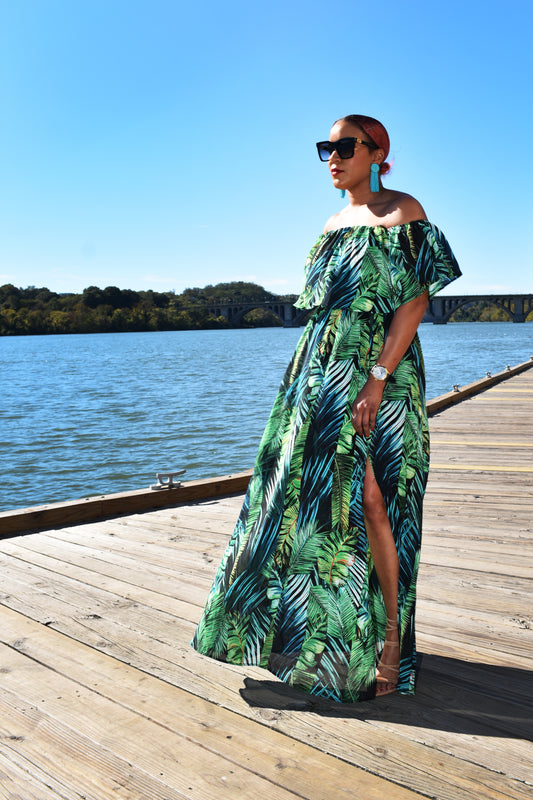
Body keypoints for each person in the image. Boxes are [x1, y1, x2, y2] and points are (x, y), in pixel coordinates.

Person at [191, 114, 462, 701]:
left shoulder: (403, 211)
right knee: (310, 507)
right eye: (326, 148)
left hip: (378, 374)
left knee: (378, 500)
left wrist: (376, 378)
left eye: (345, 146)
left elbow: (413, 304)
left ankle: (391, 643)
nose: (333, 157)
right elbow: (323, 312)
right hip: (318, 376)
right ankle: (322, 642)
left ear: (378, 152)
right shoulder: (332, 224)